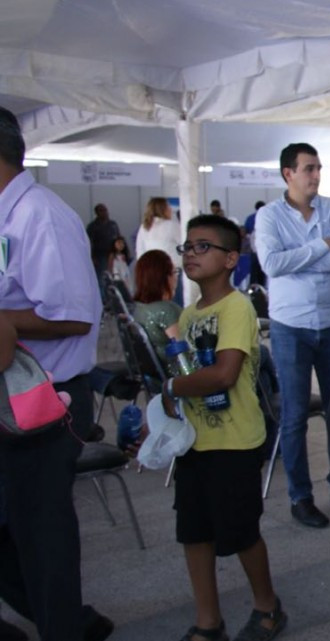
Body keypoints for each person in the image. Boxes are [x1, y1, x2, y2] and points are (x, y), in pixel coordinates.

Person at [0, 106, 112, 641]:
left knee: (41, 534)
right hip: (11, 392)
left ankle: (64, 627)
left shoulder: (38, 214)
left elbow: (70, 313)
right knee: (13, 531)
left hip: (46, 400)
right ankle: (70, 622)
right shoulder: (8, 213)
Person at [157, 215, 286, 641]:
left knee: (241, 532)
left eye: (203, 247)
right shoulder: (190, 313)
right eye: (187, 247)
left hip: (234, 442)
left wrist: (172, 386)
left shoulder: (236, 307)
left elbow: (224, 373)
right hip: (195, 442)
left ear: (231, 258)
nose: (191, 254)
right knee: (193, 532)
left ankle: (267, 606)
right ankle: (208, 621)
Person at [255, 142, 330, 528]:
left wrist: (304, 254)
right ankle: (300, 497)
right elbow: (272, 264)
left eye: (318, 167)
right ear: (288, 174)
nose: (316, 175)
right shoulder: (269, 217)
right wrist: (320, 245)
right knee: (295, 416)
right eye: (309, 168)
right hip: (289, 326)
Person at [133, 249, 183, 367]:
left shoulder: (139, 309)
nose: (176, 278)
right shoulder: (167, 310)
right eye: (174, 272)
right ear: (164, 277)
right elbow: (184, 352)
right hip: (178, 377)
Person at [136, 197, 182, 275]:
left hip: (152, 271)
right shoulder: (171, 225)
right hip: (172, 271)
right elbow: (185, 244)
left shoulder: (144, 227)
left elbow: (140, 251)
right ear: (162, 209)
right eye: (168, 206)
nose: (170, 209)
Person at [86, 203, 120, 283]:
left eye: (105, 210)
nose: (105, 212)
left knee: (116, 276)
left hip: (114, 255)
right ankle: (103, 295)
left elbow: (119, 238)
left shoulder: (113, 224)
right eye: (102, 210)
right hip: (100, 256)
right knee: (102, 278)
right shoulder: (93, 226)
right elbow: (89, 242)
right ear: (97, 213)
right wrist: (92, 257)